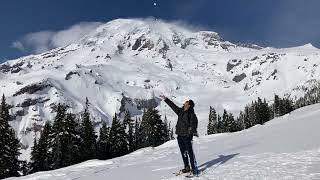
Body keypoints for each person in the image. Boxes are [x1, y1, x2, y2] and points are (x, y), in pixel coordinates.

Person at [159, 95, 199, 175]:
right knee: (183, 152)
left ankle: (194, 168)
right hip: (180, 135)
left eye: (186, 102)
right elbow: (173, 106)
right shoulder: (180, 111)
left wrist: (190, 131)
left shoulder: (191, 113)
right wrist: (166, 99)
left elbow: (194, 123)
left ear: (189, 105)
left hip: (187, 136)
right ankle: (187, 167)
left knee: (190, 152)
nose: (184, 102)